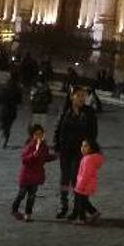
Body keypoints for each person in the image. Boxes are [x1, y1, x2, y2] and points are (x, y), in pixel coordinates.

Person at [54, 86, 98, 219]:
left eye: (83, 96)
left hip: (80, 152)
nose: (82, 98)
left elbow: (93, 133)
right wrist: (57, 146)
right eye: (79, 95)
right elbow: (58, 129)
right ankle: (64, 206)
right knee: (64, 180)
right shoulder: (65, 111)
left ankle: (76, 209)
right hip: (65, 150)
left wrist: (89, 149)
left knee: (76, 180)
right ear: (72, 96)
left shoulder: (89, 112)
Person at [11, 123, 56, 222]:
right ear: (32, 135)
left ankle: (28, 213)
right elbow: (24, 160)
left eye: (41, 134)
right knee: (21, 194)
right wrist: (33, 155)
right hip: (26, 175)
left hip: (36, 175)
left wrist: (54, 157)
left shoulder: (44, 146)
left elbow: (45, 157)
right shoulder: (29, 146)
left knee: (32, 196)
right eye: (37, 134)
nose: (39, 136)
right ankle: (15, 209)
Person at [70, 137, 105, 224]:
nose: (82, 148)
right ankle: (94, 212)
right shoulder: (90, 158)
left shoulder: (88, 159)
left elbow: (86, 174)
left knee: (81, 202)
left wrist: (80, 186)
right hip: (88, 184)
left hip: (84, 184)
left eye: (85, 146)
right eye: (82, 146)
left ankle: (82, 219)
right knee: (84, 201)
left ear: (91, 148)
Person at [0, 74, 22, 148]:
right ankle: (5, 140)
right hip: (12, 110)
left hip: (4, 109)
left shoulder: (4, 89)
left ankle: (3, 133)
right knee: (9, 126)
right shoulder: (17, 90)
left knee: (3, 123)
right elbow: (19, 101)